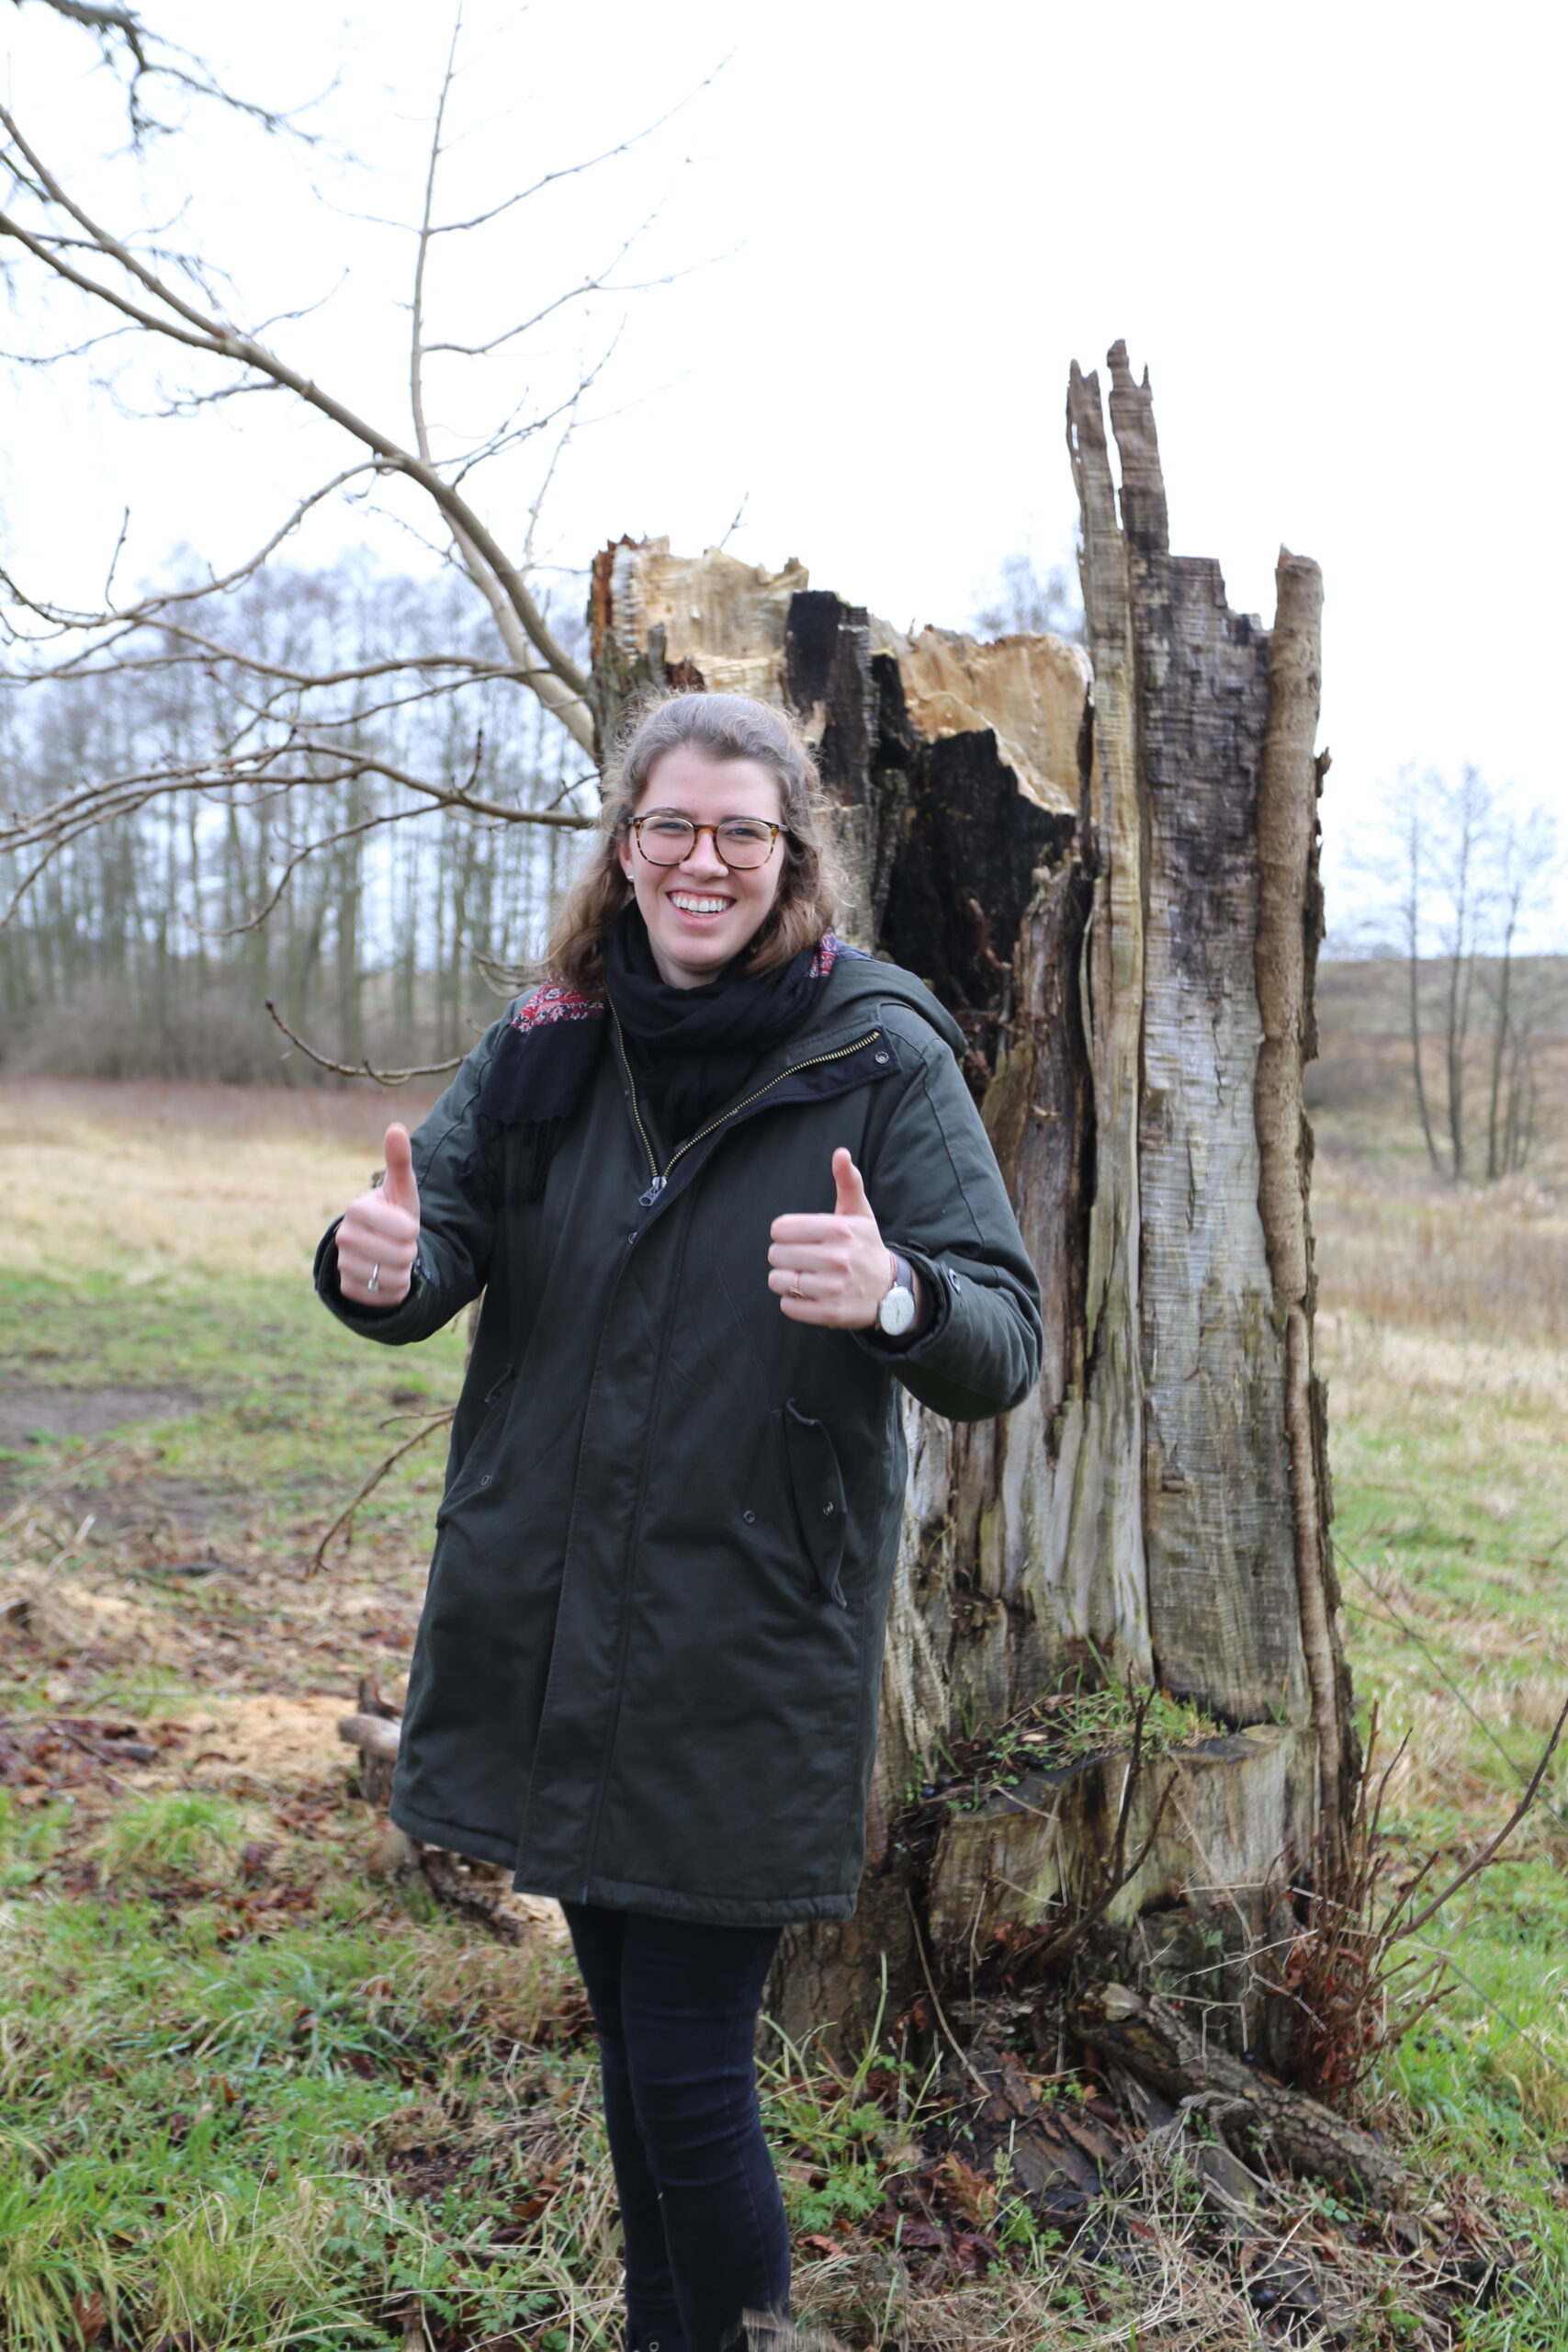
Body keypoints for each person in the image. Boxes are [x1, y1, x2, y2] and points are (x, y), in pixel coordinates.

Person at [316, 690, 1043, 2352]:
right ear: (626, 843)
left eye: (740, 833)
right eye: (671, 828)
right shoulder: (553, 1032)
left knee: (694, 2074)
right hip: (553, 1604)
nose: (701, 862)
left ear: (792, 855)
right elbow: (437, 1234)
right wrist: (380, 1266)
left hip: (745, 1629)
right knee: (638, 2059)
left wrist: (898, 1291)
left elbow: (1002, 1336)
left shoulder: (877, 1049)